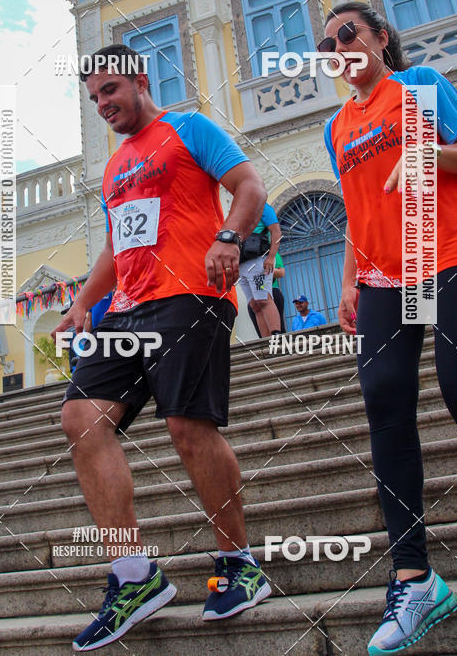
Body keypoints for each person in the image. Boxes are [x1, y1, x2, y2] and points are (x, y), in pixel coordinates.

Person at [52, 44, 271, 651]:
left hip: (190, 295)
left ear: (140, 81)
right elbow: (114, 250)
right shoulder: (114, 165)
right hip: (128, 305)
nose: (103, 104)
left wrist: (230, 235)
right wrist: (79, 305)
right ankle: (135, 576)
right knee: (80, 417)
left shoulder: (188, 128)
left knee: (187, 427)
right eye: (94, 97)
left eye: (111, 90)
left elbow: (249, 184)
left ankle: (239, 564)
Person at [322, 2, 457, 655]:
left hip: (450, 255)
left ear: (379, 38)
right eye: (327, 42)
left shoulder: (422, 86)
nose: (338, 44)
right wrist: (347, 281)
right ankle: (415, 580)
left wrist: (424, 154)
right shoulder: (336, 126)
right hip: (379, 279)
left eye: (348, 32)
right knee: (385, 405)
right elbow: (354, 205)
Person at [239, 202, 282, 337]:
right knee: (254, 304)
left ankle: (276, 335)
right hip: (242, 261)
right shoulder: (238, 209)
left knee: (263, 299)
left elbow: (276, 231)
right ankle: (265, 340)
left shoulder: (262, 207)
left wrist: (271, 257)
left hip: (258, 259)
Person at [247, 251, 286, 335]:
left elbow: (281, 272)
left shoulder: (271, 253)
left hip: (272, 291)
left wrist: (261, 269)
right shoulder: (244, 255)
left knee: (278, 329)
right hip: (254, 296)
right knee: (260, 331)